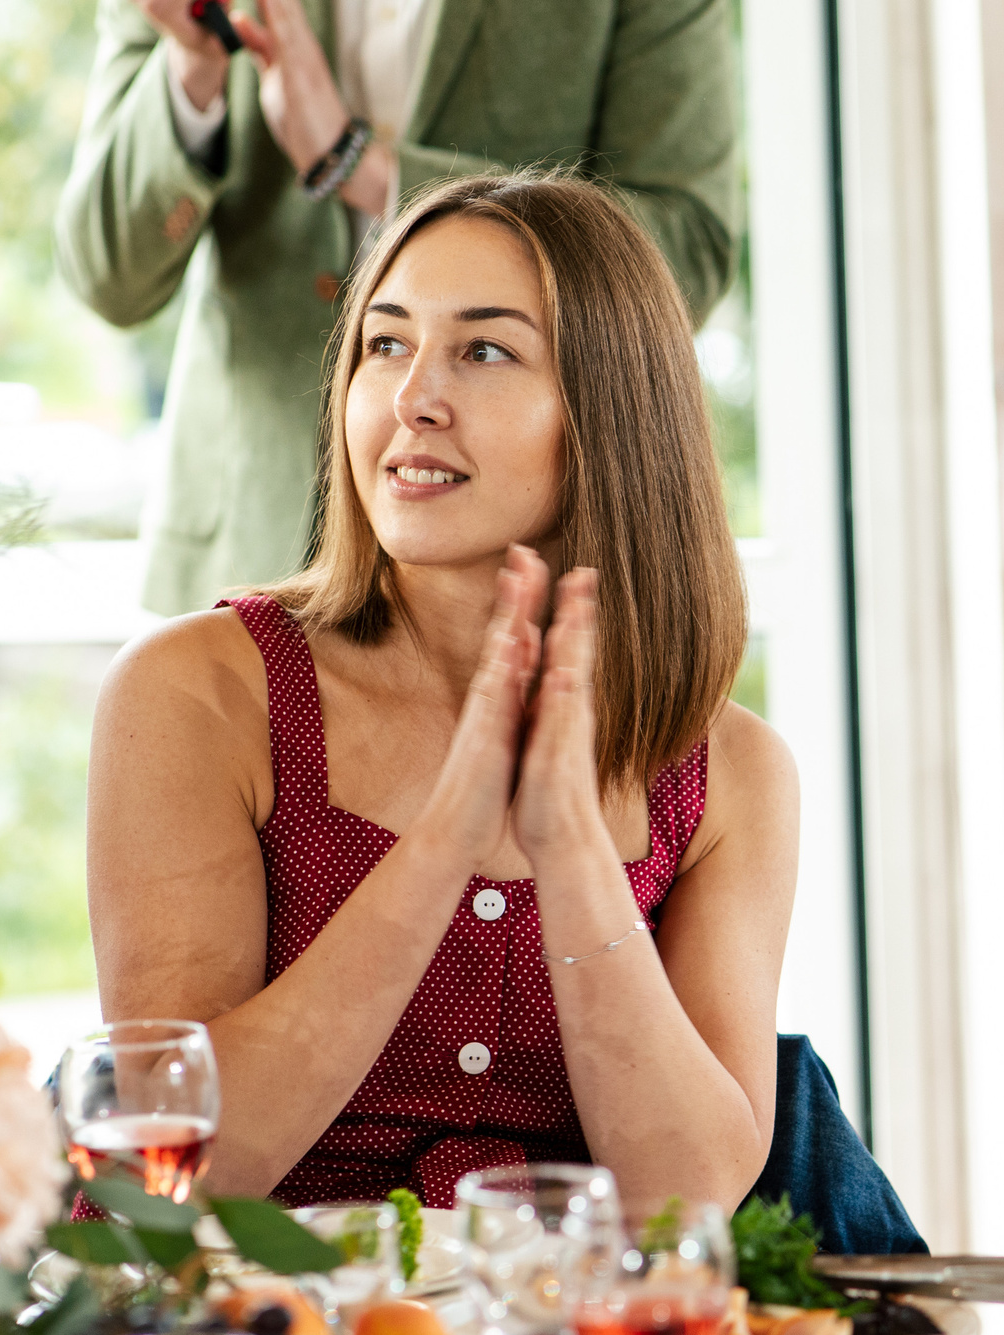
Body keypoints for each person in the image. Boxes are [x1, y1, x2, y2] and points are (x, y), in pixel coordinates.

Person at [84, 172, 795, 1213]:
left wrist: (572, 852)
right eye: (384, 343)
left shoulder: (731, 774)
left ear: (610, 410)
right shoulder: (198, 693)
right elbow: (180, 1177)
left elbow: (685, 1201)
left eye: (484, 349)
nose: (412, 396)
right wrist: (444, 842)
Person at [58, 0, 741, 616]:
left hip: (532, 586)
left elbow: (688, 252)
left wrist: (361, 168)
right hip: (248, 544)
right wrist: (191, 69)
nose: (404, 400)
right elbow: (108, 276)